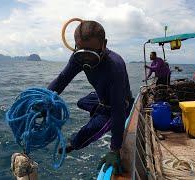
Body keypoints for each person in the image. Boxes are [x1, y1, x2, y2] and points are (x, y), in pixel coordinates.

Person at [48, 20, 133, 175]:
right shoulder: (78, 57)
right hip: (101, 97)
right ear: (75, 46)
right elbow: (62, 79)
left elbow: (118, 111)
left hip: (118, 104)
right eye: (81, 51)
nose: (86, 59)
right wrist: (45, 98)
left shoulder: (114, 66)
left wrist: (115, 149)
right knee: (81, 102)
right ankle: (98, 111)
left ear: (104, 44)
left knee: (81, 138)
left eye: (91, 53)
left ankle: (78, 139)